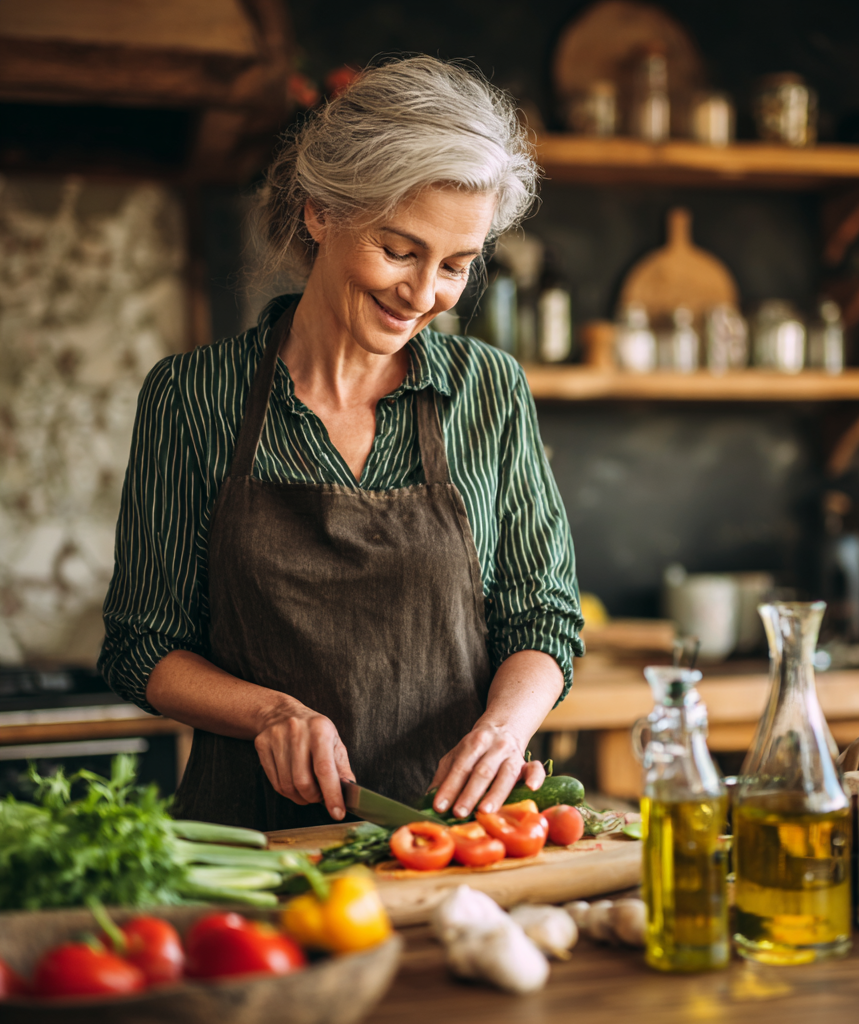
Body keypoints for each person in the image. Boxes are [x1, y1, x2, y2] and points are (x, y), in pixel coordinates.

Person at [100, 56, 583, 831]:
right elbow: (141, 645)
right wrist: (268, 715)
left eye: (456, 266)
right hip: (255, 845)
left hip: (453, 839)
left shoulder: (488, 391)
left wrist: (505, 727)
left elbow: (544, 620)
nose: (423, 295)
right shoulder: (193, 397)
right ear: (321, 212)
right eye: (400, 250)